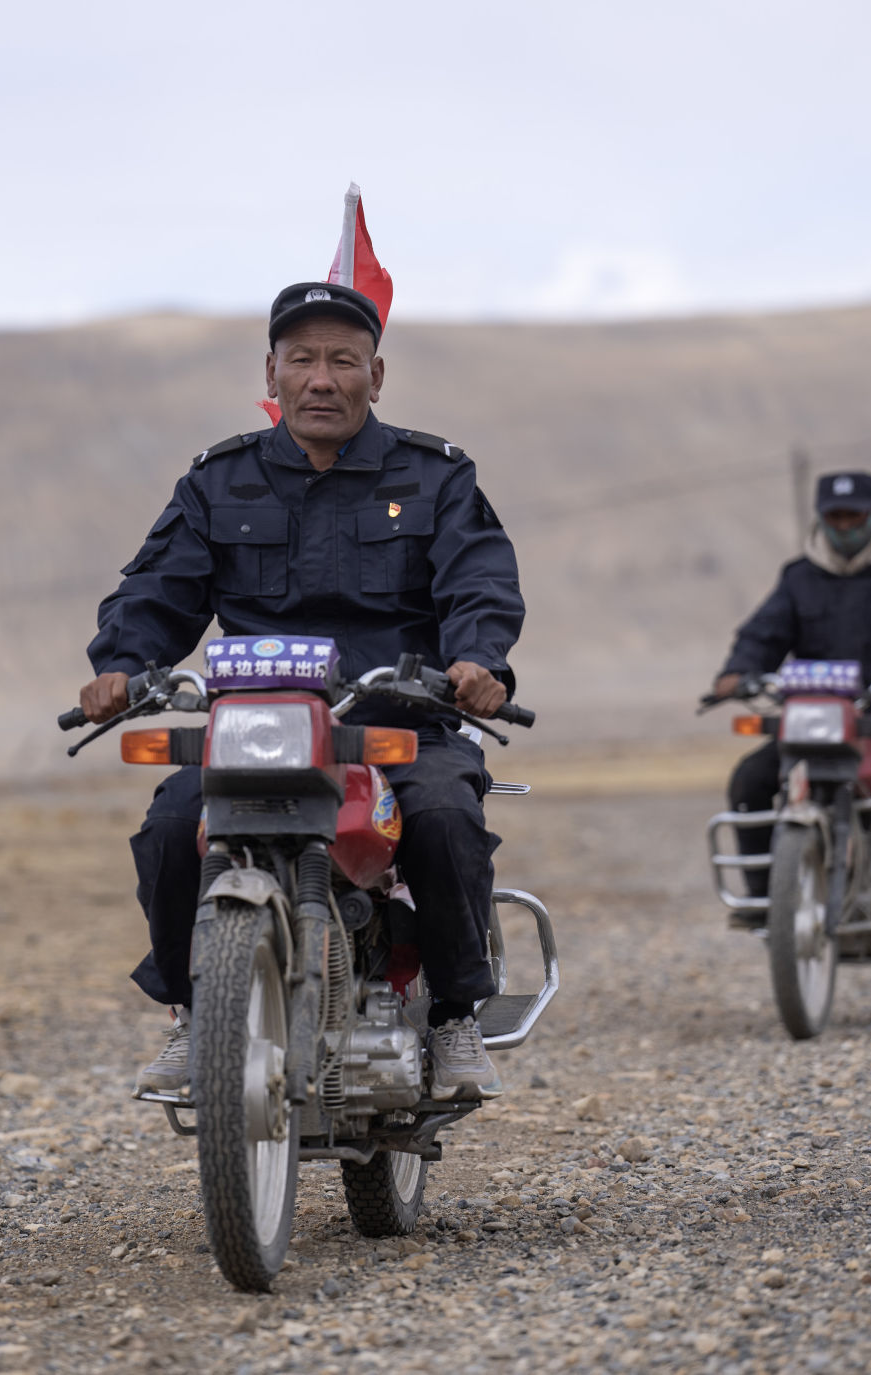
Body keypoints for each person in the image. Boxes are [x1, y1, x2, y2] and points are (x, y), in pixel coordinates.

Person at [78, 281, 525, 1101]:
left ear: (376, 375)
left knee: (445, 816)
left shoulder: (437, 477)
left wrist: (477, 661)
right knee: (176, 825)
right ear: (274, 372)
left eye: (343, 360)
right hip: (257, 729)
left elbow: (479, 582)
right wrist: (121, 663)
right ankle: (192, 1011)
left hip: (400, 721)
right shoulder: (219, 481)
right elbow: (157, 589)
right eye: (304, 359)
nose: (323, 378)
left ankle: (456, 1015)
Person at [712, 469, 871, 901]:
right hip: (818, 725)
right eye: (835, 517)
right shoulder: (799, 578)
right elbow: (763, 632)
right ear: (820, 518)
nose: (843, 527)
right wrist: (738, 672)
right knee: (750, 781)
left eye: (853, 517)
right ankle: (766, 899)